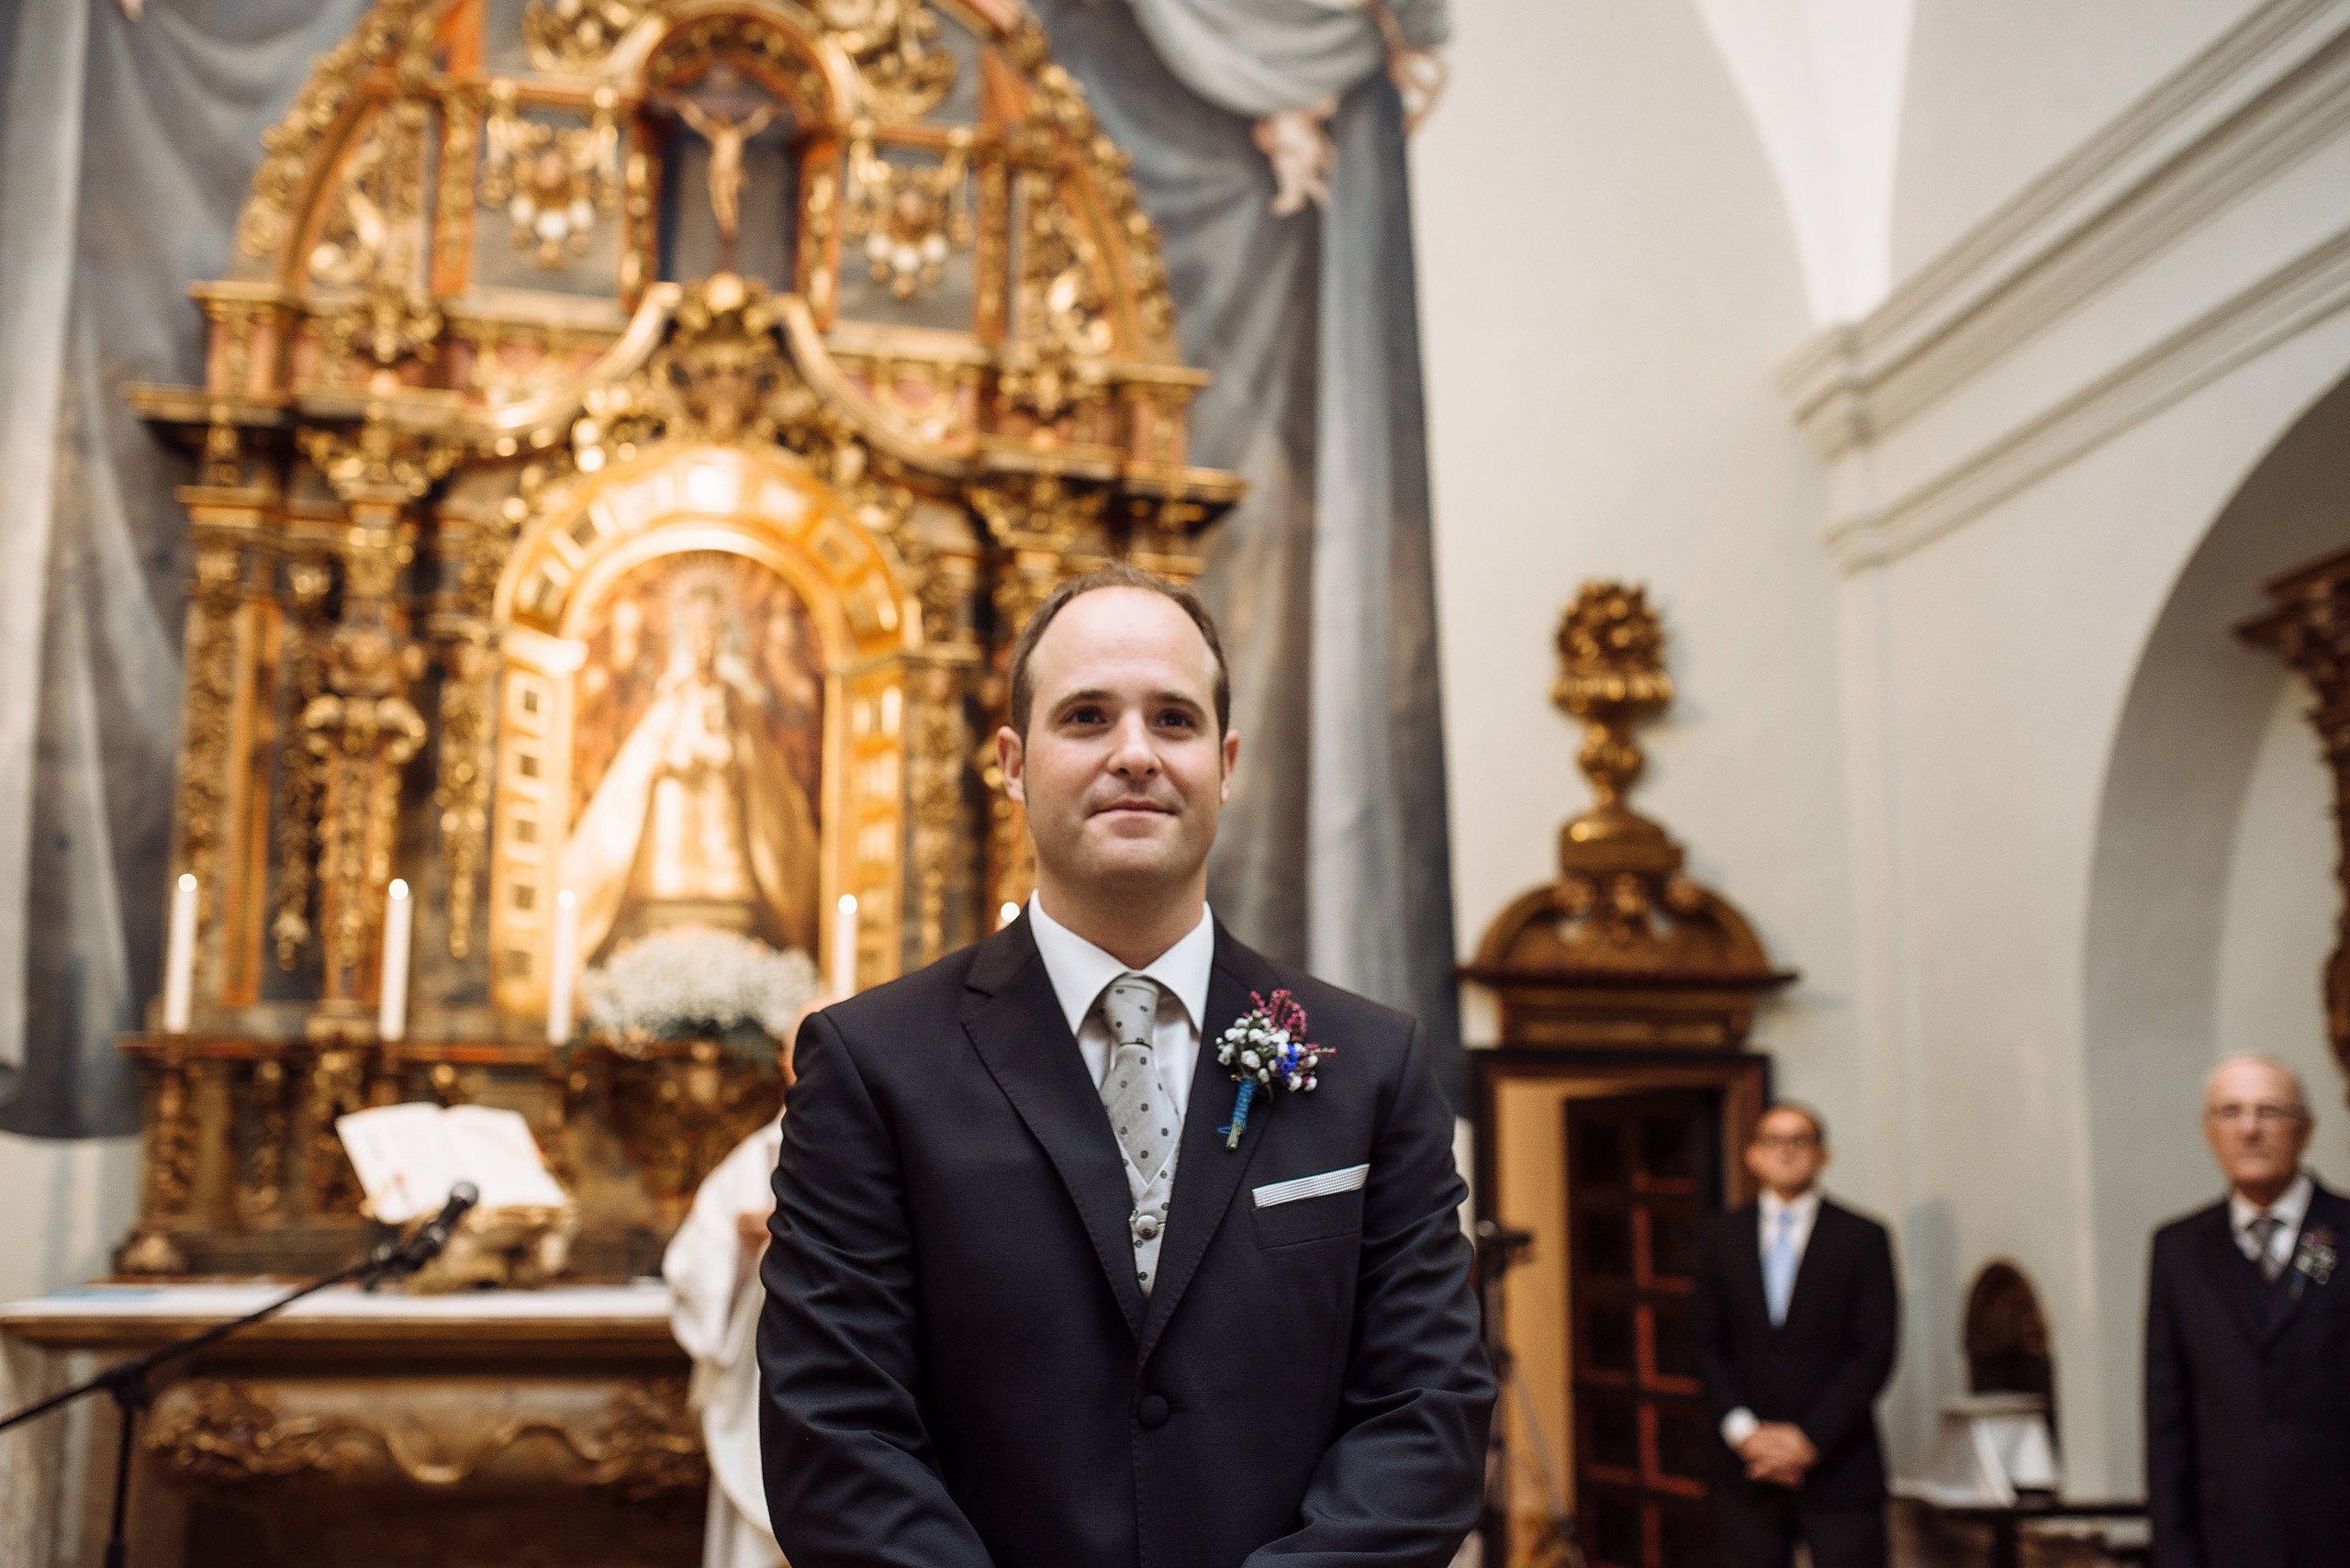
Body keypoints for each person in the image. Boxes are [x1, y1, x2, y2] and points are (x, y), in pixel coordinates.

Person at [757, 563, 1494, 1568]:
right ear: (1013, 762)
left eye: (1175, 721)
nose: (1135, 754)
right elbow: (836, 1435)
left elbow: (1428, 1408)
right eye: (1088, 717)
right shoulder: (871, 1065)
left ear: (1225, 762)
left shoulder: (1372, 1065)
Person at [2144, 1053, 2350, 1568]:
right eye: (2230, 1112)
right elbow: (2167, 1419)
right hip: (2228, 1542)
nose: (2250, 1129)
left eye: (2269, 1111)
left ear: (2305, 1128)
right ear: (2209, 1130)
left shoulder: (2344, 1231)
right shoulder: (2179, 1250)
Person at [1691, 1103, 1898, 1568]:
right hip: (1744, 1471)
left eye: (1799, 1140)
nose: (1786, 1152)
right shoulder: (1721, 1237)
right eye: (1772, 1141)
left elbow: (1875, 1350)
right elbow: (1704, 1344)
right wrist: (1746, 1434)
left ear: (1823, 1155)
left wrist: (1809, 1439)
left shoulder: (1863, 1237)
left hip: (1841, 1466)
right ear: (1753, 1156)